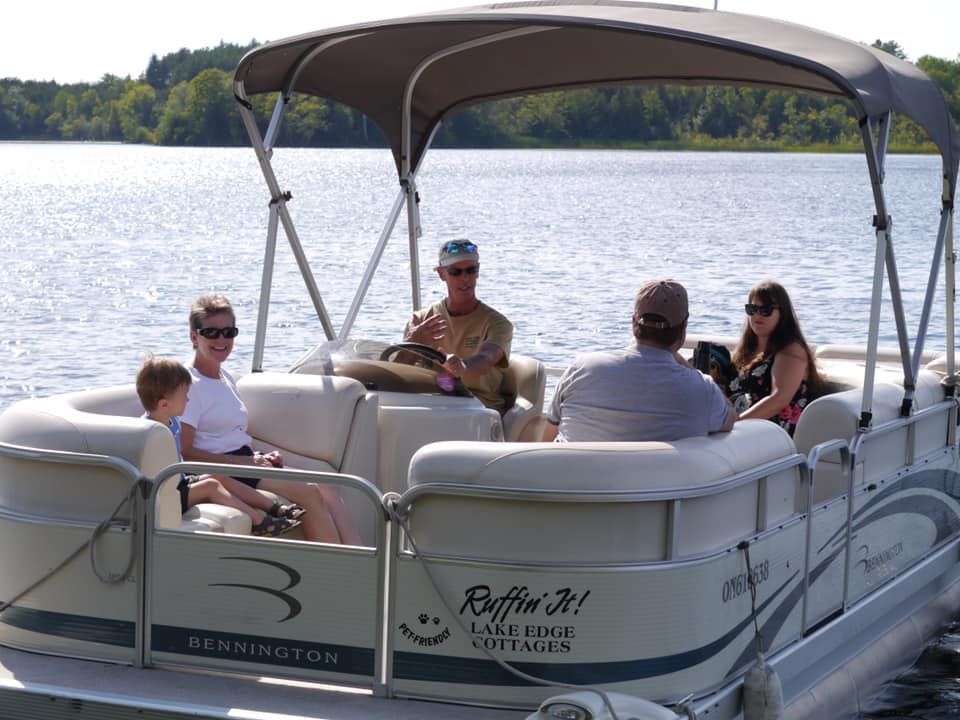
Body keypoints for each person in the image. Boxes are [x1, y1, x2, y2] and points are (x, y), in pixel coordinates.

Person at [179, 294, 360, 545]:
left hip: (243, 462)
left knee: (328, 486)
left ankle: (360, 560)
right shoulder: (188, 384)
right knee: (308, 493)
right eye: (211, 332)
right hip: (223, 470)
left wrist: (260, 458)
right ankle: (336, 573)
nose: (222, 340)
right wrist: (244, 461)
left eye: (229, 332)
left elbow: (230, 434)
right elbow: (186, 452)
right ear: (193, 337)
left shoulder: (226, 377)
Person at [544, 279, 736, 442]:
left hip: (568, 483)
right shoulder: (701, 389)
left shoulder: (582, 368)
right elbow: (730, 417)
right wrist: (687, 366)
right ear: (683, 329)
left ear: (634, 322)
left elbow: (547, 438)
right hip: (657, 485)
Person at [136, 355, 301, 537]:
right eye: (185, 396)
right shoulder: (151, 433)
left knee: (217, 475)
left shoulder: (172, 422)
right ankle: (259, 522)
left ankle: (277, 509)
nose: (188, 400)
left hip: (179, 483)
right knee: (211, 486)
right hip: (166, 495)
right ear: (164, 404)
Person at [403, 239, 514, 412]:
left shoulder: (498, 323)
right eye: (456, 272)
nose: (465, 278)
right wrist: (414, 341)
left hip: (480, 408)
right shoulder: (421, 320)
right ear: (442, 274)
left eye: (471, 270)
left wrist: (462, 367)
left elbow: (486, 359)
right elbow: (398, 370)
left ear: (478, 272)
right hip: (433, 405)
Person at [727, 280, 820, 436]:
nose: (757, 315)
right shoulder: (747, 351)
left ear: (782, 313)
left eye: (765, 310)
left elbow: (779, 399)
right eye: (752, 309)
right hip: (742, 433)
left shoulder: (791, 351)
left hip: (773, 439)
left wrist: (734, 426)